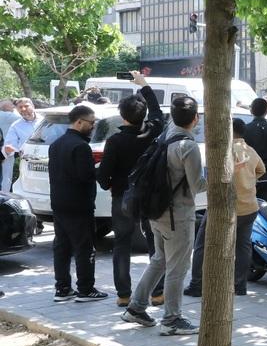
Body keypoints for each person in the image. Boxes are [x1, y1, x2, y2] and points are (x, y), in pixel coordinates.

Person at [122, 96, 206, 335]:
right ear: (196, 118)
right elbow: (197, 185)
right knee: (177, 268)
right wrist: (225, 175)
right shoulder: (188, 146)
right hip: (176, 216)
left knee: (159, 260)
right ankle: (171, 319)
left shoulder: (167, 134)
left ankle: (136, 307)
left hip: (156, 211)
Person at [96, 72, 165, 308]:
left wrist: (108, 184)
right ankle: (158, 292)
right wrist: (144, 84)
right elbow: (156, 111)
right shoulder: (154, 131)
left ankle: (124, 294)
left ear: (122, 116)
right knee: (156, 244)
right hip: (150, 196)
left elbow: (103, 175)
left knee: (122, 244)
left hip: (122, 197)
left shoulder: (115, 141)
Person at [186, 119, 264, 297]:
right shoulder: (250, 150)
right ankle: (240, 286)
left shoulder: (225, 151)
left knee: (202, 244)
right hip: (249, 206)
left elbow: (217, 176)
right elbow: (261, 170)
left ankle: (197, 284)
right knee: (243, 246)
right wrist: (249, 181)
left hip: (225, 206)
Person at [48, 105, 106, 302]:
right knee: (84, 247)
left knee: (62, 247)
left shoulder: (56, 144)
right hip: (79, 204)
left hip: (59, 202)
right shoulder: (80, 146)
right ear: (79, 122)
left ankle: (62, 288)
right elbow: (85, 176)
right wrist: (101, 169)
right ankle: (86, 289)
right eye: (91, 122)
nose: (93, 126)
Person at [2, 98, 38, 191]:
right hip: (29, 162)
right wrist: (11, 150)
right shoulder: (16, 126)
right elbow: (10, 146)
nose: (23, 109)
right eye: (20, 107)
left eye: (26, 106)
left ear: (33, 106)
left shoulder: (45, 121)